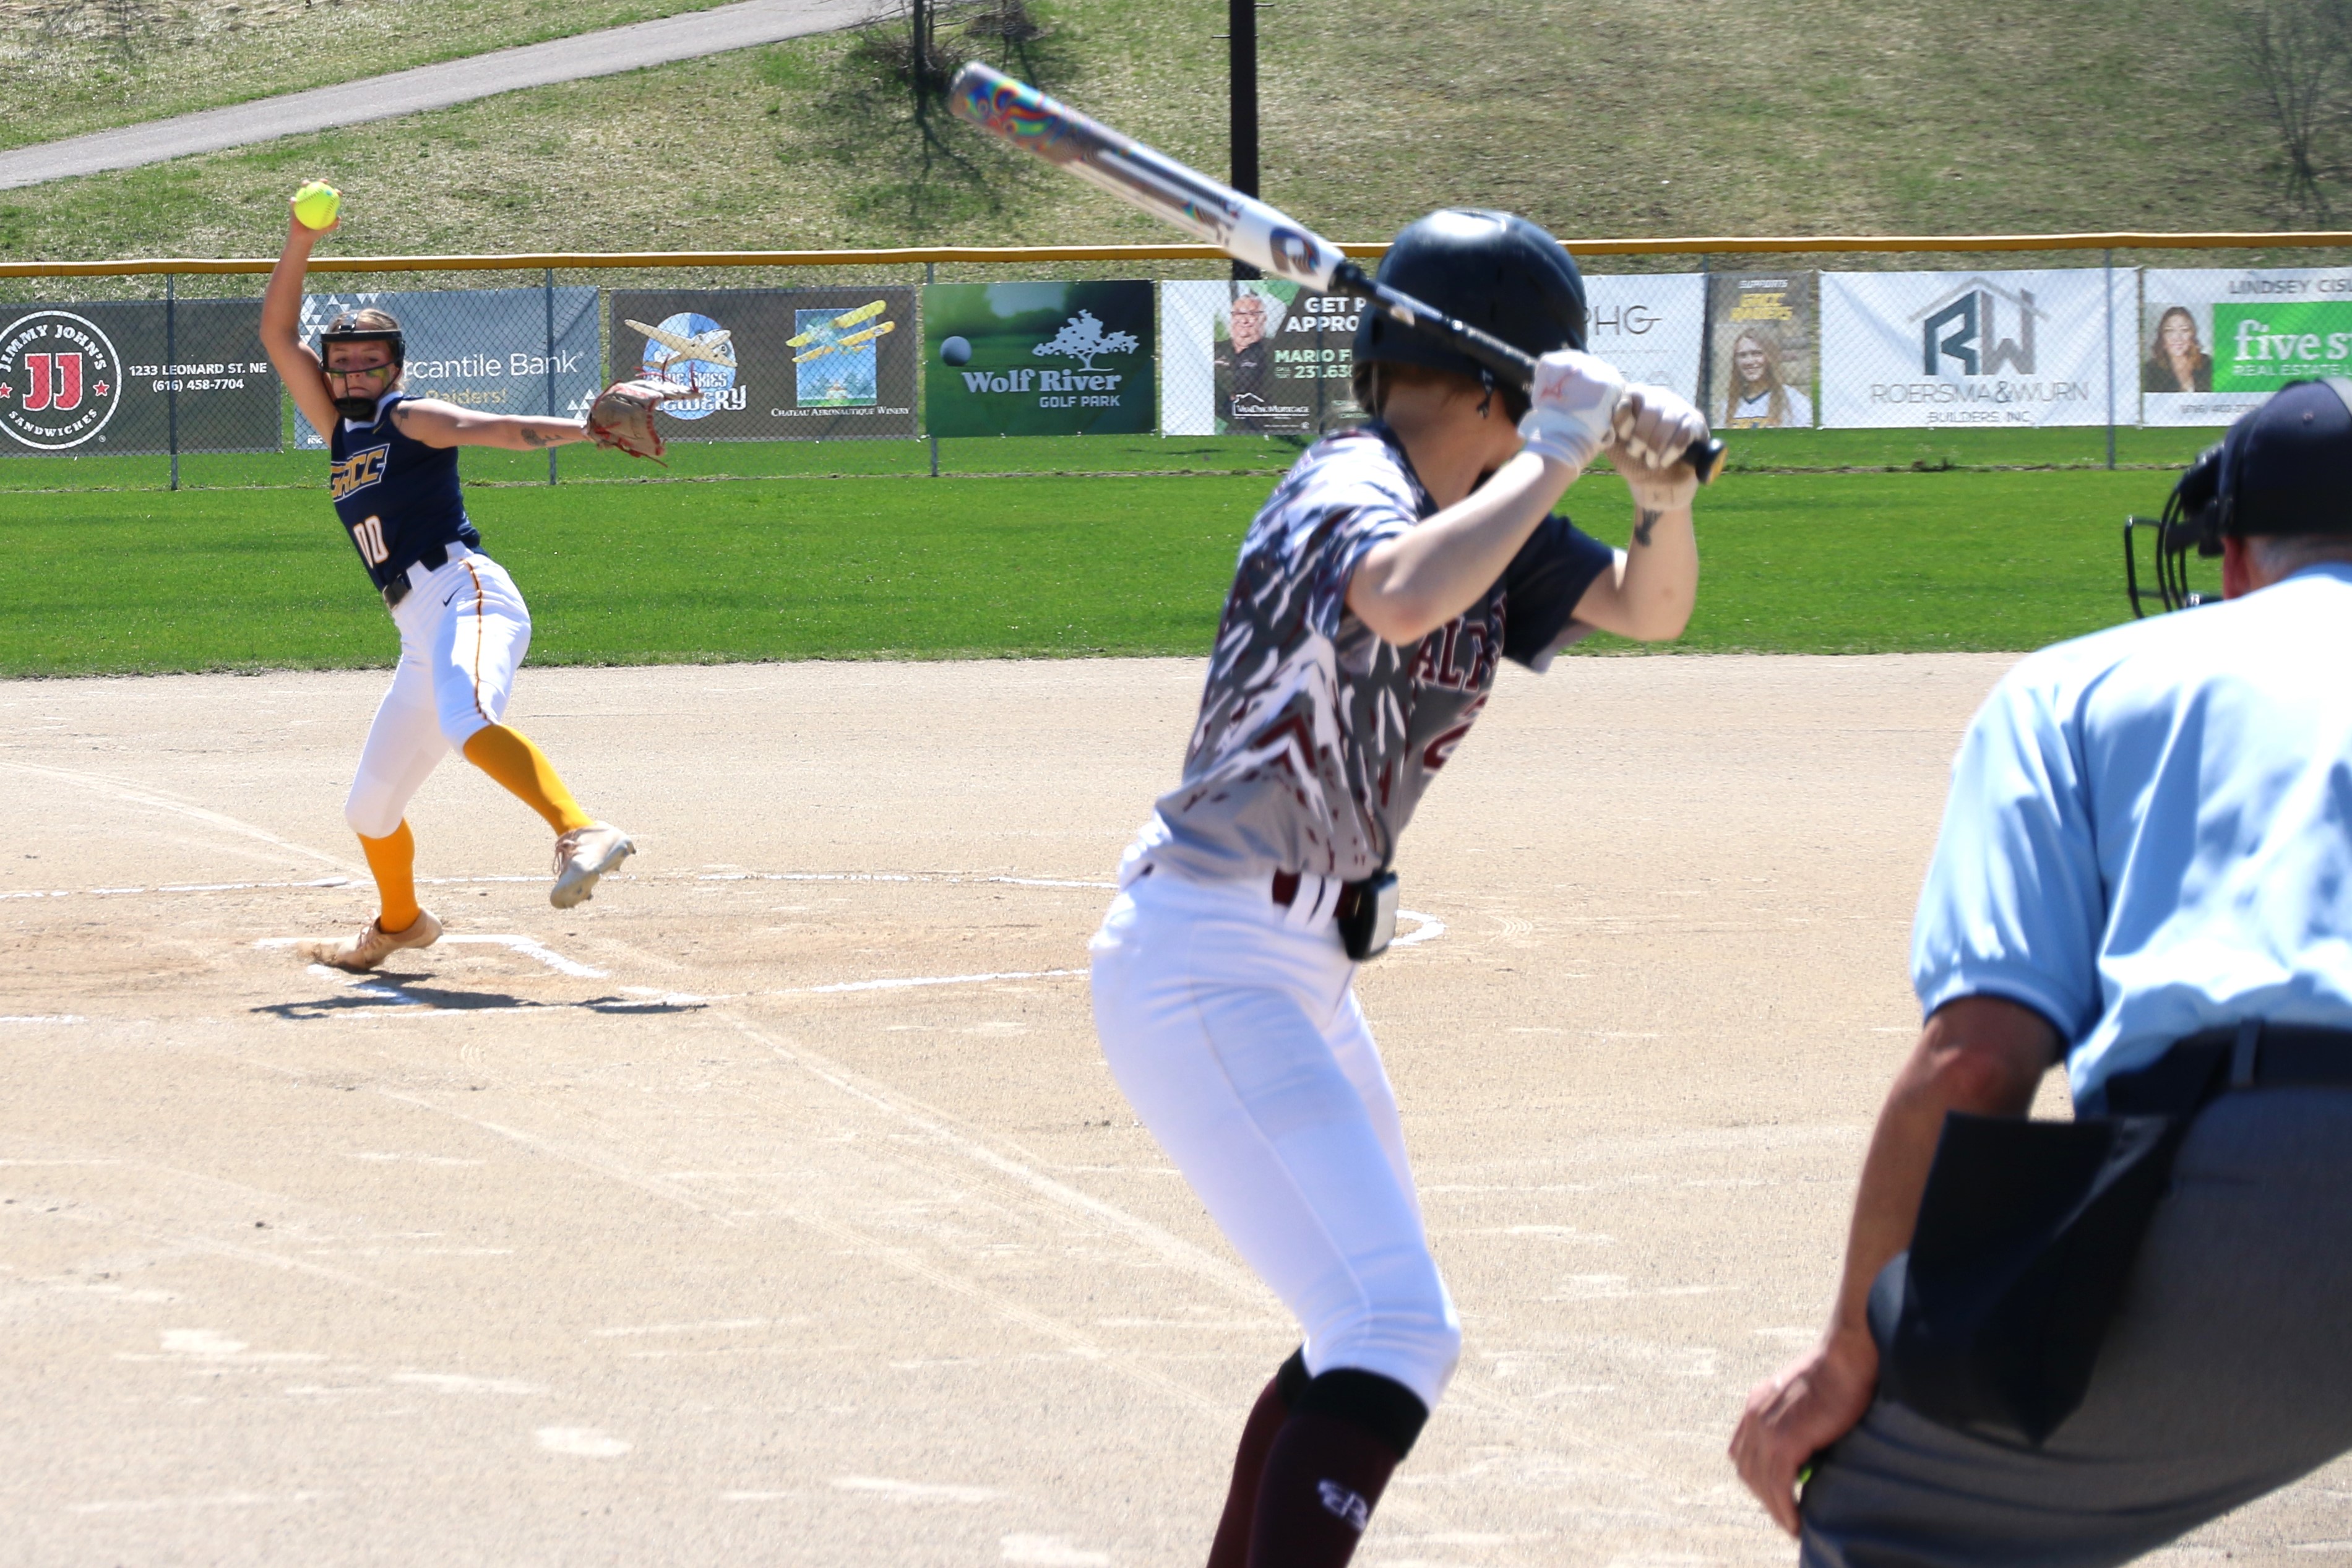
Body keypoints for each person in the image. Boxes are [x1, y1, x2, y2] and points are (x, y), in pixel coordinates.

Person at [1087, 209, 1710, 1568]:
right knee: (1393, 1326)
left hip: (1299, 970)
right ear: (1509, 383)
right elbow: (1398, 598)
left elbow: (1652, 609)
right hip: (1207, 953)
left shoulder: (1484, 516)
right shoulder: (1346, 482)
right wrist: (1555, 452)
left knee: (1358, 1321)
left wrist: (1655, 497)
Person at [1730, 377, 2352, 1566]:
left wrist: (1854, 1350)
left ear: (2230, 556)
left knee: (1882, 1522)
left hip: (2273, 1189)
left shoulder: (2080, 684)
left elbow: (1977, 1056)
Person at [259, 197, 636, 971]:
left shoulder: (407, 415)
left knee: (468, 722)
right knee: (369, 807)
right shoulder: (338, 429)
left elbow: (490, 429)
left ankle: (579, 828)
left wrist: (585, 429)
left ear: (394, 368)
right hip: (417, 625)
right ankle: (400, 922)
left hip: (465, 592)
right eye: (344, 360)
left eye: (370, 360)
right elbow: (276, 334)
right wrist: (300, 238)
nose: (354, 369)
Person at [1720, 325, 1812, 429]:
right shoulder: (1730, 404)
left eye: (1757, 354)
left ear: (1770, 357)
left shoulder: (1793, 399)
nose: (1749, 362)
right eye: (1742, 355)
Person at [1215, 288, 1280, 431]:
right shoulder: (1215, 349)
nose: (1244, 320)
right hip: (1217, 417)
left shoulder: (1273, 349)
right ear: (1232, 317)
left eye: (1252, 314)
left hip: (1258, 419)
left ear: (1263, 318)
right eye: (1239, 314)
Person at [2142, 305, 2213, 394]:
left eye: (2184, 330)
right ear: (2162, 336)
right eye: (2170, 331)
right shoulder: (2149, 371)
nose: (2177, 338)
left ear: (2193, 334)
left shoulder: (2208, 364)